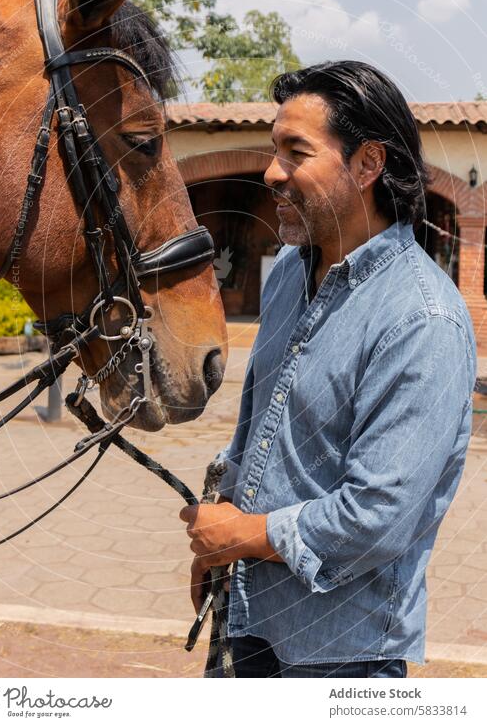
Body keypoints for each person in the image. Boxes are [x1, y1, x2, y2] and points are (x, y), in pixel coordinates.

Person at [179, 61, 477, 678]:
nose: (270, 172)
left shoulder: (422, 320)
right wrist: (216, 549)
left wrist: (240, 536)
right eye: (272, 149)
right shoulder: (290, 273)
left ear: (368, 165)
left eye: (296, 152)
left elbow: (379, 515)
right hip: (249, 620)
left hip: (341, 657)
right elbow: (256, 433)